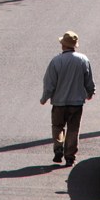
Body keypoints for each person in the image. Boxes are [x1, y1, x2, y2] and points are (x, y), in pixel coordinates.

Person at [40, 31, 95, 166]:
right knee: (73, 128)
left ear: (63, 46)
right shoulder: (83, 60)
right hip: (76, 102)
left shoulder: (56, 61)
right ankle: (70, 156)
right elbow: (88, 80)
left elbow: (49, 82)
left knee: (58, 126)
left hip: (59, 101)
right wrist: (90, 93)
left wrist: (45, 97)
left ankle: (58, 147)